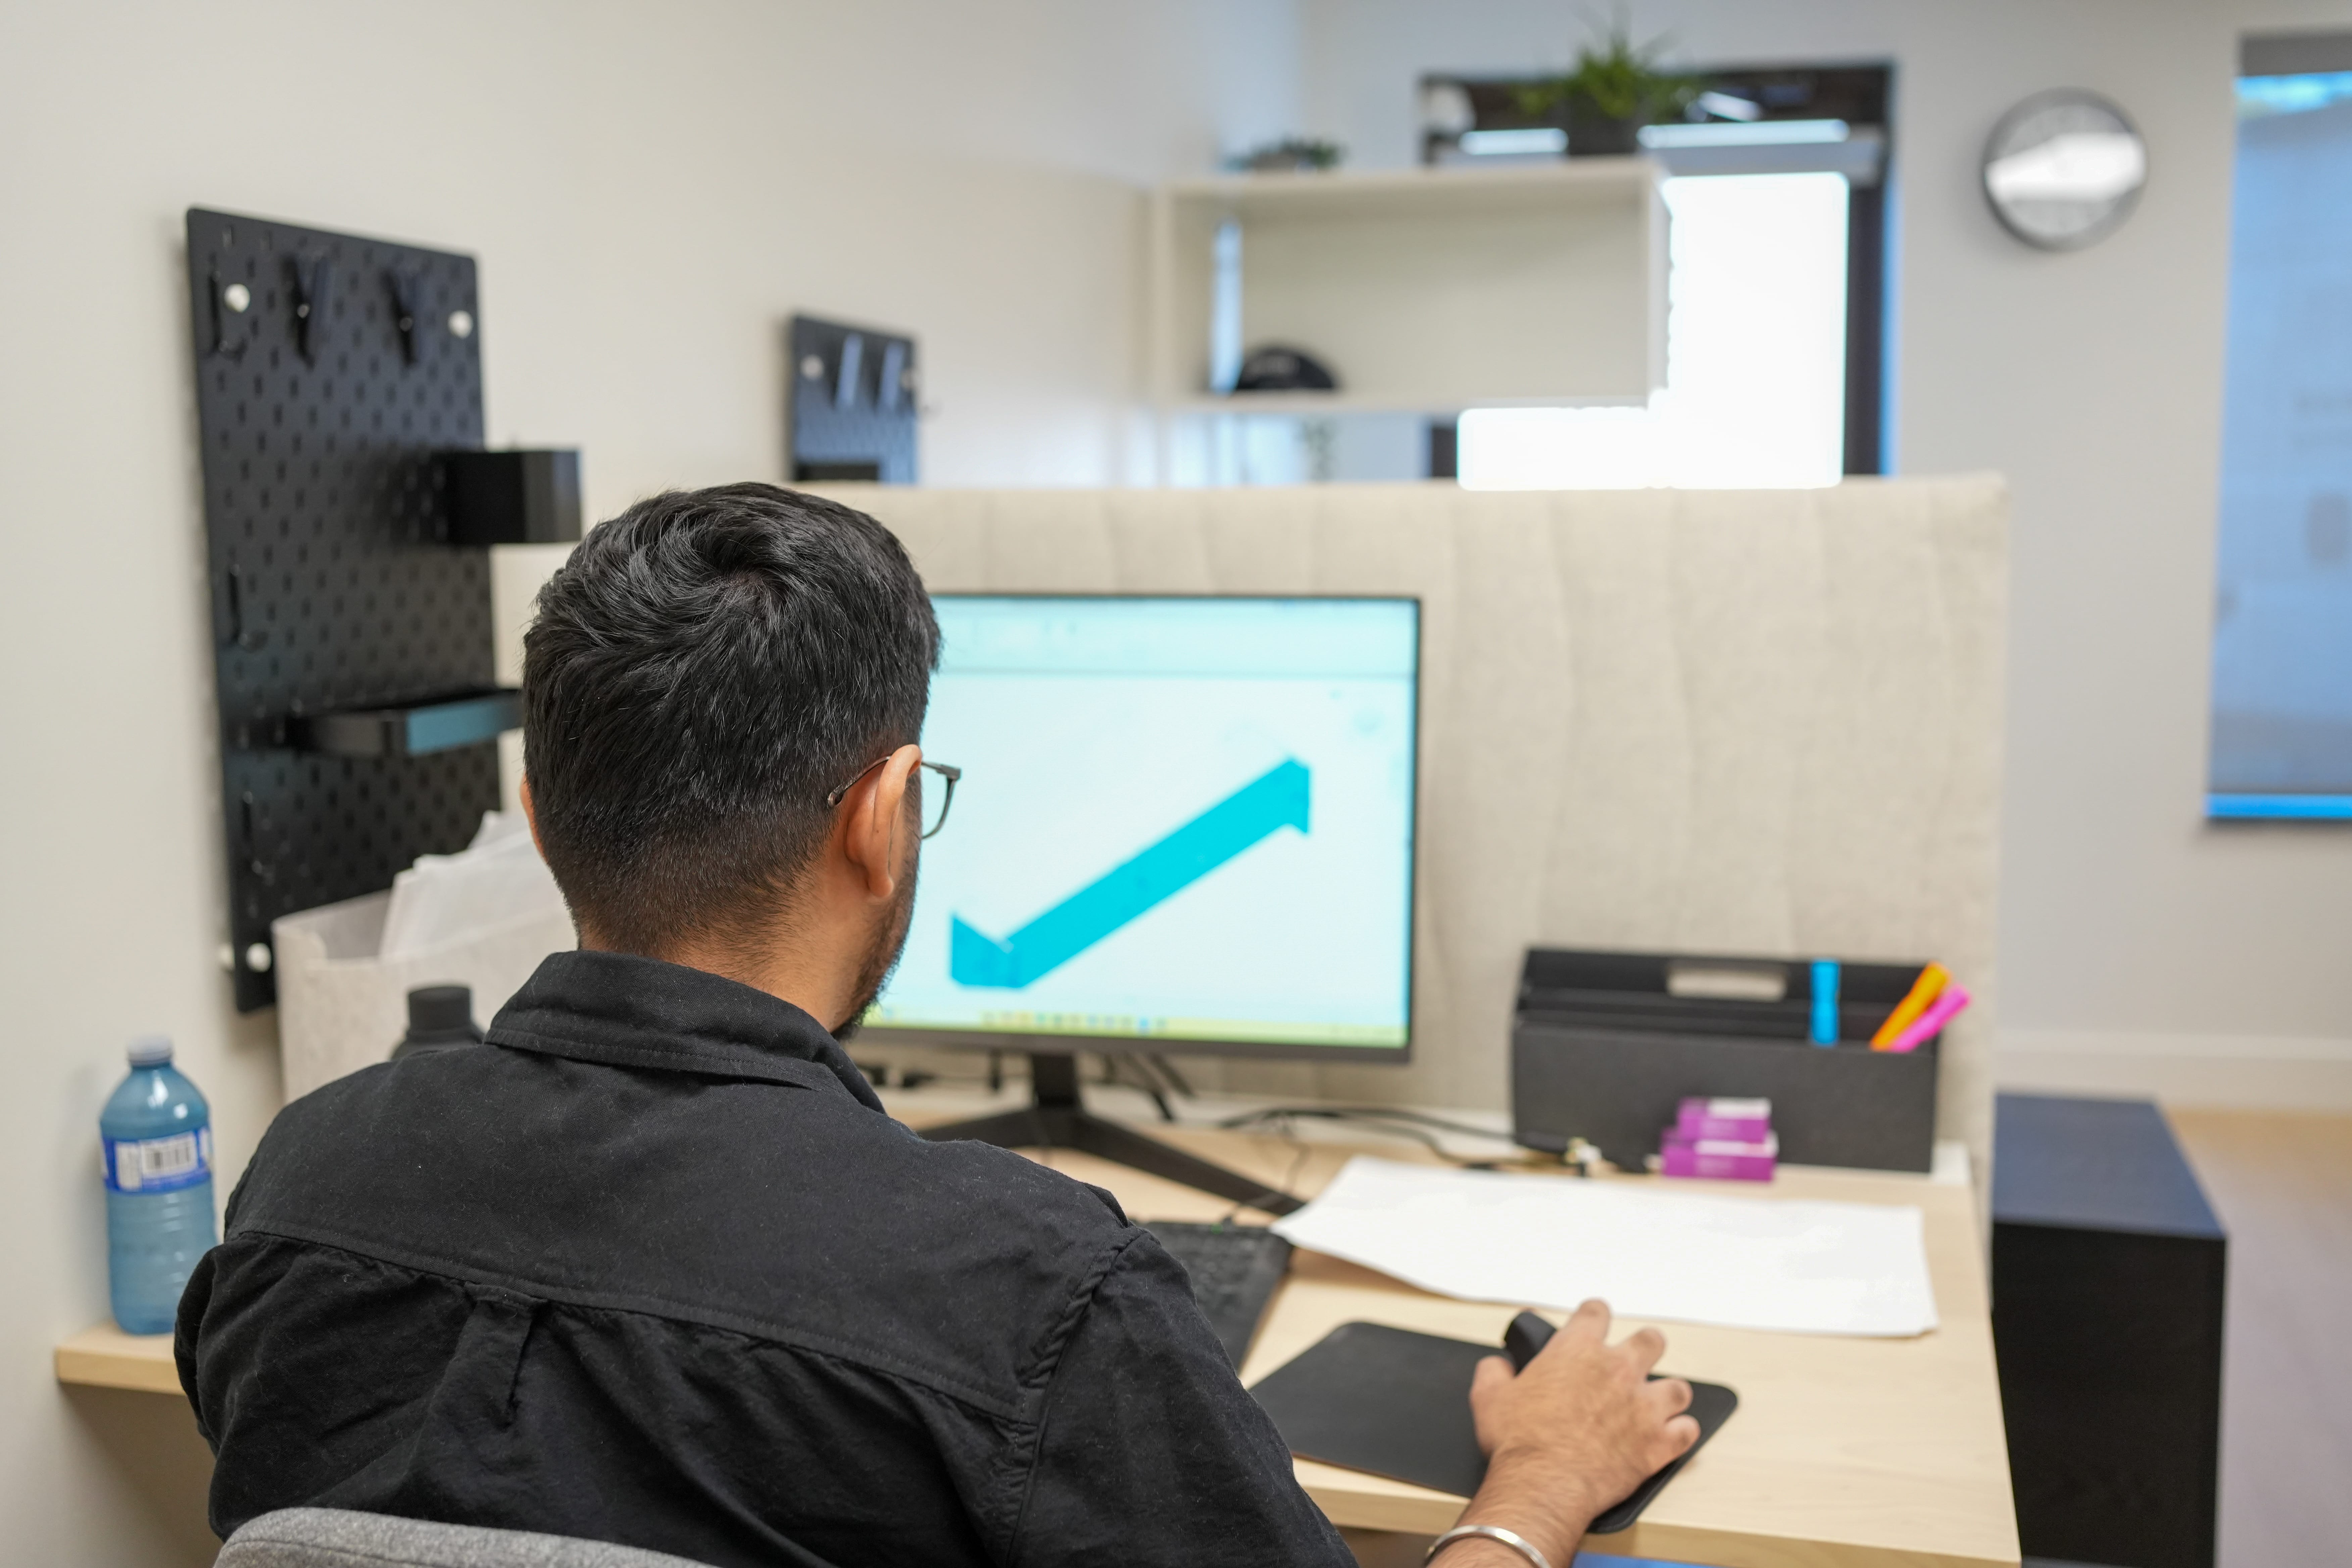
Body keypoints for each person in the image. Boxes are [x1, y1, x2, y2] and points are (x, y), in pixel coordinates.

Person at [177, 484, 1696, 1568]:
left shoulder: (301, 1183)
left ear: (537, 812)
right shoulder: (1033, 1290)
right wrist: (1542, 1483)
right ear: (887, 819)